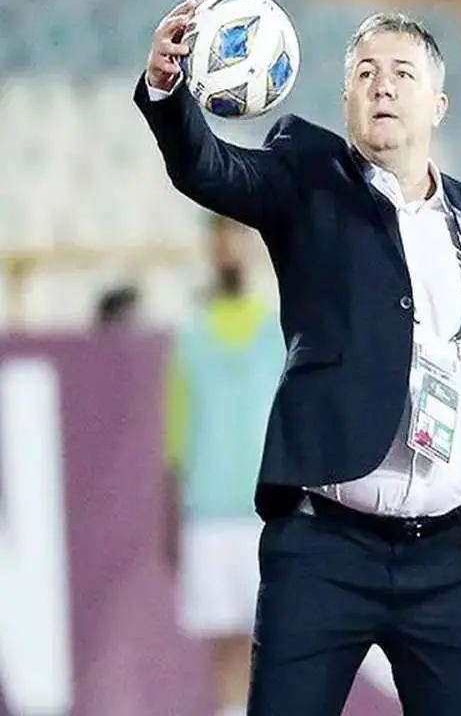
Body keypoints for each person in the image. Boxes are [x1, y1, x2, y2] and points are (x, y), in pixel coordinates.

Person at [135, 0, 461, 716]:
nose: (382, 86)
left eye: (401, 73)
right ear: (346, 101)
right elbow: (207, 168)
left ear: (438, 105)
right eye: (365, 73)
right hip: (326, 549)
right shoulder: (307, 179)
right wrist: (166, 89)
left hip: (456, 558)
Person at [164, 215, 284, 716]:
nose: (230, 246)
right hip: (210, 514)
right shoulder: (191, 335)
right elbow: (178, 435)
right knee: (226, 650)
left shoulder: (278, 330)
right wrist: (172, 514)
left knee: (272, 644)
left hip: (265, 515)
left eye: (238, 234)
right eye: (221, 235)